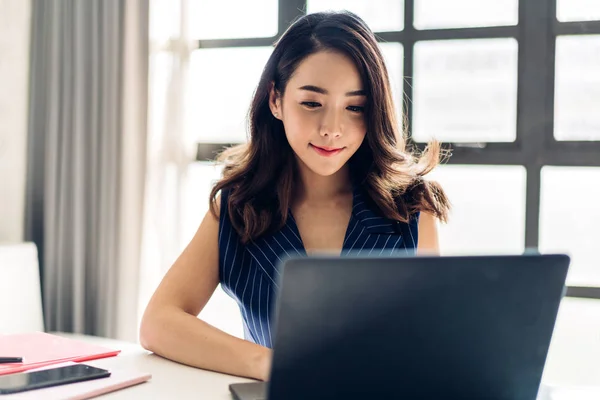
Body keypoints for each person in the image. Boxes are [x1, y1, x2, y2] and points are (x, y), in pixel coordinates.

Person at [139, 11, 451, 382]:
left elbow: (433, 344)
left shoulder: (410, 208)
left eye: (355, 107)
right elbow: (158, 322)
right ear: (276, 99)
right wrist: (270, 363)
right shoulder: (238, 208)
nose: (332, 129)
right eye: (311, 103)